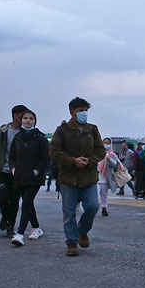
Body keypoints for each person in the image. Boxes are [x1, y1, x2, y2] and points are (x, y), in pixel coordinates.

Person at [50, 97, 105, 257]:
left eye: (86, 110)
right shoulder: (62, 131)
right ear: (72, 112)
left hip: (88, 177)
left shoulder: (92, 130)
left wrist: (89, 161)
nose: (84, 114)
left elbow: (100, 151)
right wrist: (72, 161)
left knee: (93, 206)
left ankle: (82, 231)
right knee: (69, 212)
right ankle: (72, 242)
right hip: (68, 178)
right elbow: (54, 152)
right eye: (80, 110)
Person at [0, 104, 38, 237]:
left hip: (19, 173)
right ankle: (5, 217)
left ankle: (11, 226)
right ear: (14, 115)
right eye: (21, 116)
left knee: (15, 199)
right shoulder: (4, 131)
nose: (24, 119)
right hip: (4, 170)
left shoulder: (27, 132)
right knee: (3, 195)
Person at [8, 110, 50, 246]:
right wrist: (13, 169)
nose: (28, 120)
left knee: (26, 202)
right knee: (28, 203)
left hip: (34, 178)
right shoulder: (17, 138)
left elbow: (45, 158)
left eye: (31, 118)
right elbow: (12, 157)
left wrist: (37, 171)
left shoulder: (40, 138)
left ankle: (20, 233)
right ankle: (36, 227)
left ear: (35, 121)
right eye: (25, 118)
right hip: (19, 176)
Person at [98, 138, 119, 216]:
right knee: (95, 194)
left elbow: (115, 164)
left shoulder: (111, 155)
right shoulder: (98, 153)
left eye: (108, 143)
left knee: (104, 194)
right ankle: (92, 209)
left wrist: (109, 160)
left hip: (105, 179)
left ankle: (104, 208)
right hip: (96, 178)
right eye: (104, 143)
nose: (106, 144)